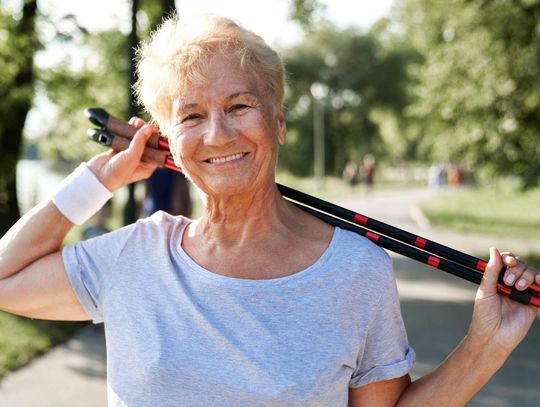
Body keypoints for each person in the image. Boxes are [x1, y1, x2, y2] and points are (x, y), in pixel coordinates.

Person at [0, 14, 538, 407]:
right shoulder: (135, 256)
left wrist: (486, 344)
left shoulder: (355, 271)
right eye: (191, 116)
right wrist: (100, 178)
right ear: (169, 141)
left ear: (277, 123)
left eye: (239, 106)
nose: (218, 133)